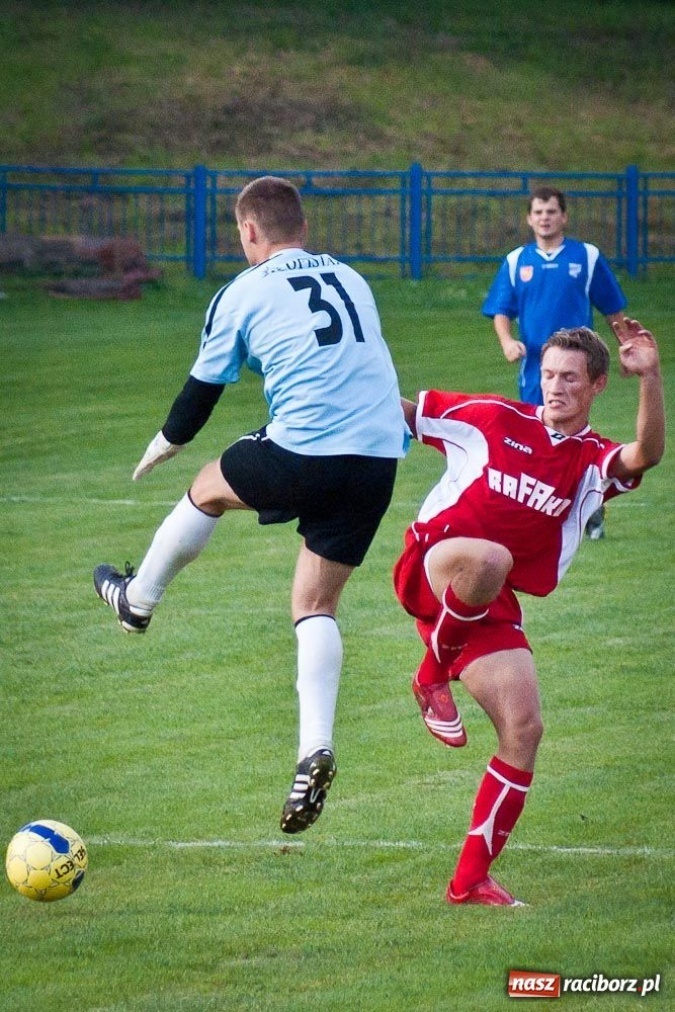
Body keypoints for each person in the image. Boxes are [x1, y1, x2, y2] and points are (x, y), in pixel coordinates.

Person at [93, 175, 408, 835]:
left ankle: (137, 601)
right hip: (378, 456)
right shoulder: (352, 278)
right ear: (303, 228)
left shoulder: (242, 291)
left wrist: (163, 443)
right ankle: (313, 747)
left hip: (307, 448)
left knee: (208, 485)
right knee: (315, 605)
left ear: (248, 231)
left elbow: (200, 393)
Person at [394, 318, 664, 906]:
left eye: (570, 377)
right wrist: (344, 377)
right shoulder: (495, 417)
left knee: (524, 729)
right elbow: (408, 413)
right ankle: (430, 677)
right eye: (548, 374)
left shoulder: (590, 460)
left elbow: (646, 454)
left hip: (485, 603)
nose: (556, 386)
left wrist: (650, 377)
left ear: (598, 385)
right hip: (435, 565)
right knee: (492, 556)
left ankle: (469, 881)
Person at [482, 186, 629, 539]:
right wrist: (507, 341)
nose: (544, 218)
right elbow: (501, 310)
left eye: (551, 211)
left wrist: (626, 345)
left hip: (576, 369)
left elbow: (612, 308)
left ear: (563, 216)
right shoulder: (517, 261)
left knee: (570, 438)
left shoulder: (586, 256)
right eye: (538, 212)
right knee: (535, 436)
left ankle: (589, 507)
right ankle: (541, 511)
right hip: (535, 369)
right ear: (529, 219)